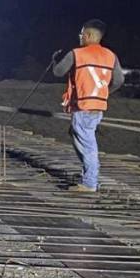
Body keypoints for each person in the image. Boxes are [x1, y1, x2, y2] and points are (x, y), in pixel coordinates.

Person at [53, 19, 124, 192]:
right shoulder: (111, 56)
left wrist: (55, 59)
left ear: (89, 35)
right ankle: (88, 175)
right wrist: (102, 94)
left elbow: (58, 71)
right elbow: (119, 80)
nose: (80, 37)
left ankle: (90, 182)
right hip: (98, 106)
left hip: (83, 105)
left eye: (81, 33)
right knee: (80, 136)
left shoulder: (77, 54)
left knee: (88, 144)